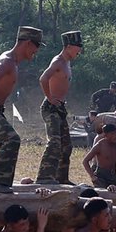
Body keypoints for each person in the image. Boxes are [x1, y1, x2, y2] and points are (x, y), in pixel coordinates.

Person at [0, 26, 44, 193]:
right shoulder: (8, 62)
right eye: (36, 46)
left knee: (8, 144)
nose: (36, 51)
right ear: (27, 43)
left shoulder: (11, 60)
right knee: (12, 140)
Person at [37, 31, 83, 184]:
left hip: (60, 108)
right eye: (78, 47)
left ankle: (62, 178)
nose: (79, 51)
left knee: (66, 146)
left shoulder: (67, 62)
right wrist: (50, 97)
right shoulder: (58, 61)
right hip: (50, 107)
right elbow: (43, 78)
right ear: (69, 47)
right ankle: (44, 177)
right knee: (55, 142)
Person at [82, 123, 116, 189]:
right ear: (105, 135)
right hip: (101, 177)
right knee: (106, 193)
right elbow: (85, 161)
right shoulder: (100, 145)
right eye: (112, 134)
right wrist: (92, 177)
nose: (115, 136)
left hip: (113, 176)